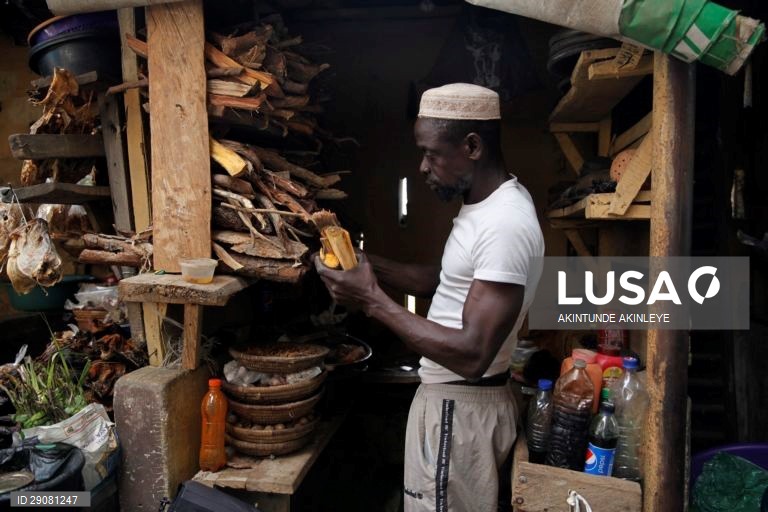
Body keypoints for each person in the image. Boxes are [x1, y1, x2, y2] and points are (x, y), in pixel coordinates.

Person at [314, 83, 545, 512]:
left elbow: (473, 353)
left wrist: (370, 299)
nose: (422, 167)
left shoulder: (505, 224)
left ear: (472, 146)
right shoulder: (486, 207)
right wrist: (364, 262)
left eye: (432, 153)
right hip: (456, 407)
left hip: (461, 409)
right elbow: (442, 282)